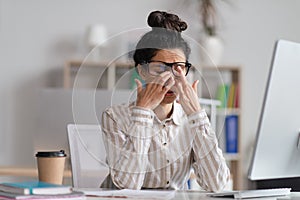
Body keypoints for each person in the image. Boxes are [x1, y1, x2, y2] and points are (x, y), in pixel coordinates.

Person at [101, 10, 230, 192]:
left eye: (178, 68)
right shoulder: (114, 117)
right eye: (160, 69)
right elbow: (127, 187)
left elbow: (217, 185)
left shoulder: (190, 120)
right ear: (142, 70)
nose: (170, 79)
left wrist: (197, 115)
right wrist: (142, 114)